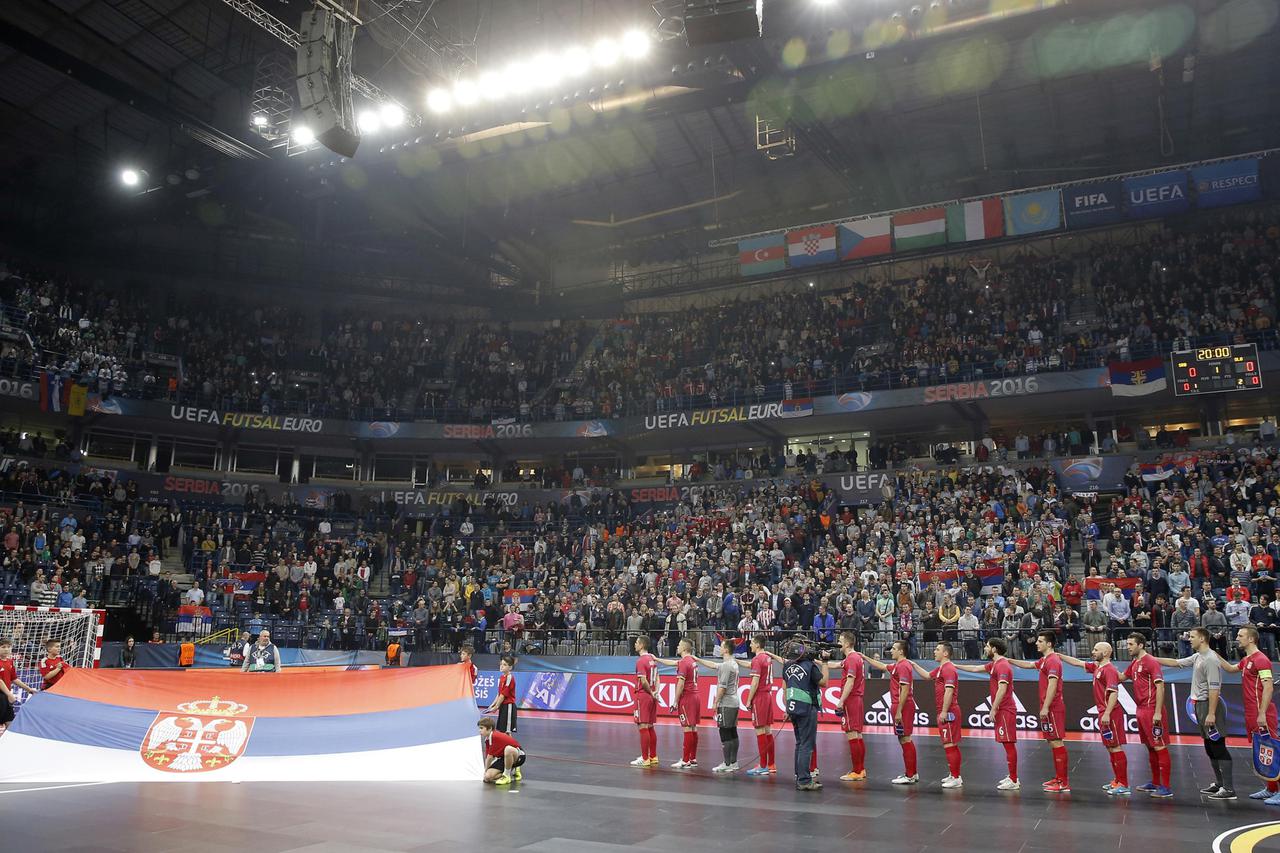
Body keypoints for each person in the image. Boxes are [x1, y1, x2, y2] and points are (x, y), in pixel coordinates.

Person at [1151, 627, 1235, 800]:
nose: (1189, 639)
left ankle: (1228, 788)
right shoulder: (1198, 656)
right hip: (1200, 706)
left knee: (1217, 745)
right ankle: (1219, 784)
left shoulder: (1210, 659)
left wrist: (1211, 713)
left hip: (1208, 706)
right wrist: (1150, 658)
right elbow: (1176, 662)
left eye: (1192, 637)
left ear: (1202, 639)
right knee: (1209, 747)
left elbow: (1214, 688)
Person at [1056, 641, 1130, 796]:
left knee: (1115, 746)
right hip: (1103, 712)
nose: (1093, 651)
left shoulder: (1109, 670)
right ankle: (1117, 780)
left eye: (1097, 650)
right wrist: (1060, 656)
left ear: (1106, 652)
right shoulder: (1097, 667)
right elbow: (1078, 663)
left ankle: (1124, 783)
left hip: (1111, 713)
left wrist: (1108, 713)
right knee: (1110, 746)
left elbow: (1114, 692)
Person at [1220, 625, 1280, 803]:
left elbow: (1269, 687)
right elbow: (1231, 669)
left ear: (1251, 639)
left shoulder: (1261, 660)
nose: (1237, 638)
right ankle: (1270, 789)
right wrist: (1211, 652)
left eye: (1241, 635)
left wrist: (1262, 713)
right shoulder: (1247, 660)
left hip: (1263, 714)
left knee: (1273, 750)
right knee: (1262, 750)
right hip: (1251, 713)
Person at [1007, 630, 1071, 792]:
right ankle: (1058, 778)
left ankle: (1063, 782)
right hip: (1049, 707)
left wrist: (1046, 706)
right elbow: (1029, 665)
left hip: (1054, 707)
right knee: (1052, 741)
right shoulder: (1044, 660)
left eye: (1040, 641)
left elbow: (1053, 685)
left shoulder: (1053, 661)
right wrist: (1008, 660)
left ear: (1049, 644)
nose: (1037, 643)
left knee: (1057, 741)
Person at [954, 637, 1020, 790]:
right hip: (1002, 709)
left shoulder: (1002, 665)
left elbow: (1002, 689)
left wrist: (994, 708)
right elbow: (975, 669)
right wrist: (955, 665)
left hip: (1006, 709)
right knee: (1006, 743)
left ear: (994, 649)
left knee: (1009, 744)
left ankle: (1014, 779)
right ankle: (1012, 776)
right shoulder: (994, 664)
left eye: (987, 646)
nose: (984, 648)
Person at [1117, 633, 1172, 797]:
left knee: (1159, 746)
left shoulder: (1150, 662)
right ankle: (1155, 783)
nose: (1128, 647)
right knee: (1150, 747)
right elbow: (1121, 677)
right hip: (1140, 709)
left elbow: (1160, 687)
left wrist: (1157, 712)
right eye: (1127, 644)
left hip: (1151, 709)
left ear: (1141, 645)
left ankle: (1166, 787)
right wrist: (1102, 667)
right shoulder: (1135, 663)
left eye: (1131, 644)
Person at [863, 640, 919, 785]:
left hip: (903, 706)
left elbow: (905, 689)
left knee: (905, 738)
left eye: (894, 648)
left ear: (901, 651)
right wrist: (865, 657)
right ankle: (912, 772)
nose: (891, 651)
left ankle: (910, 774)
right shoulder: (897, 666)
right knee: (903, 738)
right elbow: (882, 665)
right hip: (899, 705)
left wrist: (899, 710)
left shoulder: (904, 666)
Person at [908, 641, 963, 788]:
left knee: (950, 743)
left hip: (949, 711)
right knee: (948, 743)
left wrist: (944, 711)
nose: (934, 651)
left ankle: (956, 777)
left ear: (945, 653)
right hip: (943, 710)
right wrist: (914, 665)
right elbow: (926, 676)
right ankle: (954, 774)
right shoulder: (940, 669)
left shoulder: (949, 669)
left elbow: (949, 691)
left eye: (937, 649)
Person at [780, 638, 826, 791]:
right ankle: (805, 780)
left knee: (799, 743)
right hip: (807, 707)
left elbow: (785, 688)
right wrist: (825, 663)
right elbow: (824, 682)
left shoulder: (786, 666)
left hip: (793, 706)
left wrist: (787, 708)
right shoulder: (809, 666)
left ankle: (799, 775)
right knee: (807, 744)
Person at [832, 631, 868, 782]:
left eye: (840, 641)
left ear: (846, 643)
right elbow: (836, 665)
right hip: (857, 699)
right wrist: (821, 661)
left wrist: (841, 701)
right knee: (857, 734)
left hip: (851, 699)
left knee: (852, 734)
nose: (838, 643)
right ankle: (860, 769)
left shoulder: (852, 659)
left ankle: (857, 770)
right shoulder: (854, 658)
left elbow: (850, 681)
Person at [743, 635, 777, 777]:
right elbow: (752, 665)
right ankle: (771, 764)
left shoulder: (757, 659)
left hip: (760, 696)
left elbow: (755, 682)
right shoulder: (767, 658)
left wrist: (749, 699)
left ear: (757, 644)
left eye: (751, 643)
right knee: (768, 730)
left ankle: (762, 766)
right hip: (768, 695)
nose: (750, 645)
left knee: (759, 730)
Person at [629, 636, 663, 767]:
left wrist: (650, 692)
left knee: (642, 726)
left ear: (642, 645)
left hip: (643, 695)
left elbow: (643, 681)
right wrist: (655, 692)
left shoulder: (641, 661)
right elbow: (658, 677)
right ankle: (653, 756)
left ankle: (645, 758)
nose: (635, 645)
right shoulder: (652, 660)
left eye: (637, 643)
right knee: (650, 726)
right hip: (651, 696)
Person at [0, 637, 38, 733]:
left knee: (10, 722)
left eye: (8, 647)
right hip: (2, 695)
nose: (6, 649)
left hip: (5, 696)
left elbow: (14, 679)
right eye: (3, 647)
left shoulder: (10, 661)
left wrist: (29, 689)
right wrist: (9, 694)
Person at [478, 716, 524, 785]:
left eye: (481, 728)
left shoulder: (495, 736)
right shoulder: (487, 739)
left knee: (508, 749)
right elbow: (488, 756)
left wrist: (485, 770)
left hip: (519, 755)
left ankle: (506, 776)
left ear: (490, 728)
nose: (479, 730)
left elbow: (490, 757)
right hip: (504, 758)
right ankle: (512, 770)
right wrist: (486, 774)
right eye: (479, 728)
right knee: (487, 778)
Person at [484, 654, 518, 734]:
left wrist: (496, 706)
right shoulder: (501, 677)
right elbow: (499, 694)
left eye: (504, 665)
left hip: (508, 706)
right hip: (503, 706)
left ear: (510, 667)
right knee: (502, 730)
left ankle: (515, 747)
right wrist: (492, 704)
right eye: (501, 664)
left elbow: (503, 695)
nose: (501, 666)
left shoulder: (509, 677)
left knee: (507, 732)